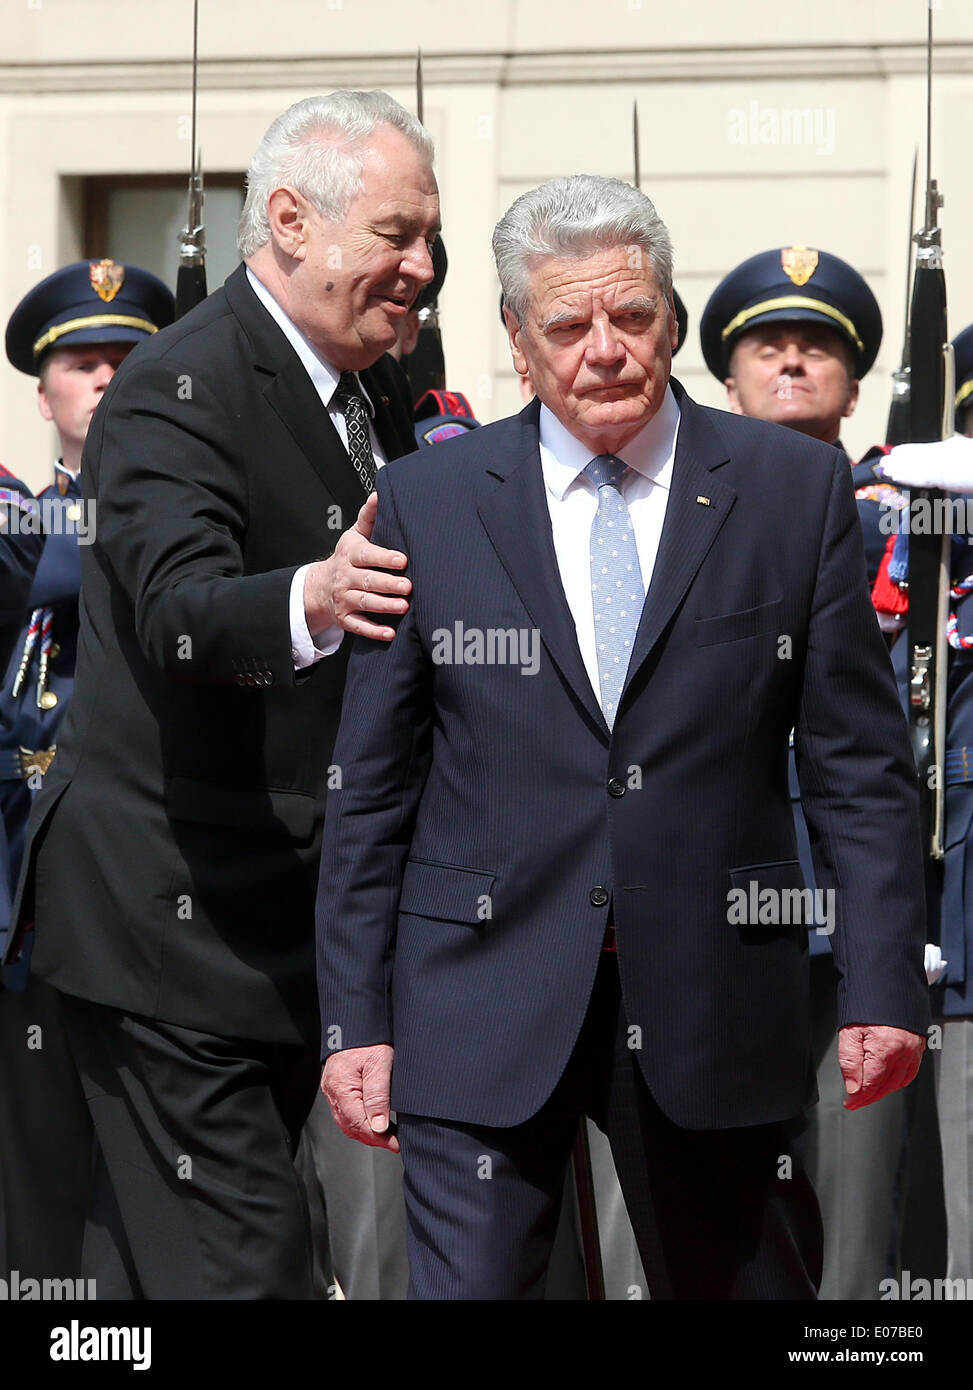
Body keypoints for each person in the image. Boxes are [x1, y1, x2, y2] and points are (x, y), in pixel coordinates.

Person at [316, 174, 930, 1300]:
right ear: (514, 336)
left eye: (632, 316)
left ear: (670, 314)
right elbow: (372, 785)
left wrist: (881, 982)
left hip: (713, 999)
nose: (604, 349)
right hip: (477, 998)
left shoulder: (791, 491)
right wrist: (354, 1016)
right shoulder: (427, 503)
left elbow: (859, 772)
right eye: (566, 324)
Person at [3, 89, 439, 1300]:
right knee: (244, 1271)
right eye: (396, 235)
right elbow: (178, 613)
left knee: (154, 1277)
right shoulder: (174, 386)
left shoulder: (378, 390)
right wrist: (317, 592)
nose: (421, 267)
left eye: (428, 238)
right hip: (170, 931)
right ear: (290, 220)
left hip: (297, 933)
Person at [698, 247, 936, 1300]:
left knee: (844, 1236)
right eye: (767, 345)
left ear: (854, 377)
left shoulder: (912, 520)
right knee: (679, 1208)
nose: (791, 364)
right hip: (702, 903)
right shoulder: (669, 516)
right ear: (727, 373)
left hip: (848, 913)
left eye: (816, 347)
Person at [0, 262, 173, 1283]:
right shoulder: (18, 526)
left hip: (165, 908)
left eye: (132, 360)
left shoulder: (207, 526)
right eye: (83, 361)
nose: (106, 379)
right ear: (46, 391)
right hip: (32, 909)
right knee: (39, 1183)